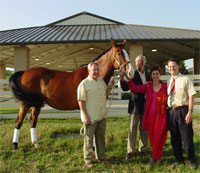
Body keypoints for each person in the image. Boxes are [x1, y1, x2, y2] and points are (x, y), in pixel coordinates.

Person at [120, 65, 168, 164]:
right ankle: (157, 157)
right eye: (153, 74)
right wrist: (127, 79)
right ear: (151, 75)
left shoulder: (165, 86)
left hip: (162, 116)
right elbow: (136, 89)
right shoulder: (148, 86)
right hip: (150, 116)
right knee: (152, 136)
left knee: (160, 136)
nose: (155, 75)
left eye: (157, 74)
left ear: (160, 74)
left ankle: (155, 157)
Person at [77, 62, 114, 168]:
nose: (96, 72)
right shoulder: (83, 84)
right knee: (88, 139)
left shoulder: (101, 82)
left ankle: (101, 157)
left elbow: (105, 96)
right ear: (89, 71)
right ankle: (88, 159)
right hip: (91, 117)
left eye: (97, 70)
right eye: (94, 70)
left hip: (102, 115)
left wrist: (110, 87)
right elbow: (81, 101)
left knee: (100, 137)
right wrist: (84, 116)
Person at [119, 55, 152, 160]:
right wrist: (121, 77)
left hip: (146, 107)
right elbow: (124, 88)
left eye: (141, 61)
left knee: (144, 129)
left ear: (144, 62)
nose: (140, 63)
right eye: (138, 61)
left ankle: (142, 149)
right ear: (135, 63)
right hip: (135, 107)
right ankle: (130, 151)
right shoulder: (132, 74)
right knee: (132, 130)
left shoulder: (149, 75)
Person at [167, 58, 197, 169]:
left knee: (187, 137)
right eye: (170, 67)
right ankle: (179, 159)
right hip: (171, 112)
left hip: (183, 111)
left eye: (174, 66)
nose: (172, 68)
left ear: (178, 66)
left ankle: (191, 160)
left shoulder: (185, 79)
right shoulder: (169, 81)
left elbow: (191, 95)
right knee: (174, 138)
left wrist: (190, 111)